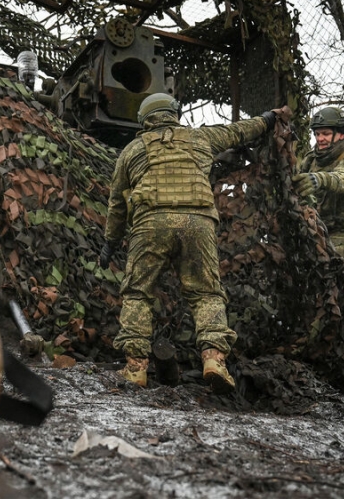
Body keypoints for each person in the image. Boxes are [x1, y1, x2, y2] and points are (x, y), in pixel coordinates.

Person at [100, 92, 282, 394]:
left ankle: (135, 369)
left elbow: (117, 204)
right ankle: (214, 360)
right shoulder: (200, 139)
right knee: (206, 293)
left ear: (144, 119)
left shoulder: (132, 151)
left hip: (151, 224)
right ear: (174, 114)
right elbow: (238, 131)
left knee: (138, 293)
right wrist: (267, 119)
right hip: (198, 223)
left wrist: (110, 242)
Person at [292, 106, 344, 338]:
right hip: (315, 236)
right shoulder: (311, 160)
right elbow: (293, 177)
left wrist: (318, 180)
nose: (320, 139)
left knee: (340, 294)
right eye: (317, 134)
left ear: (340, 134)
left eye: (325, 133)